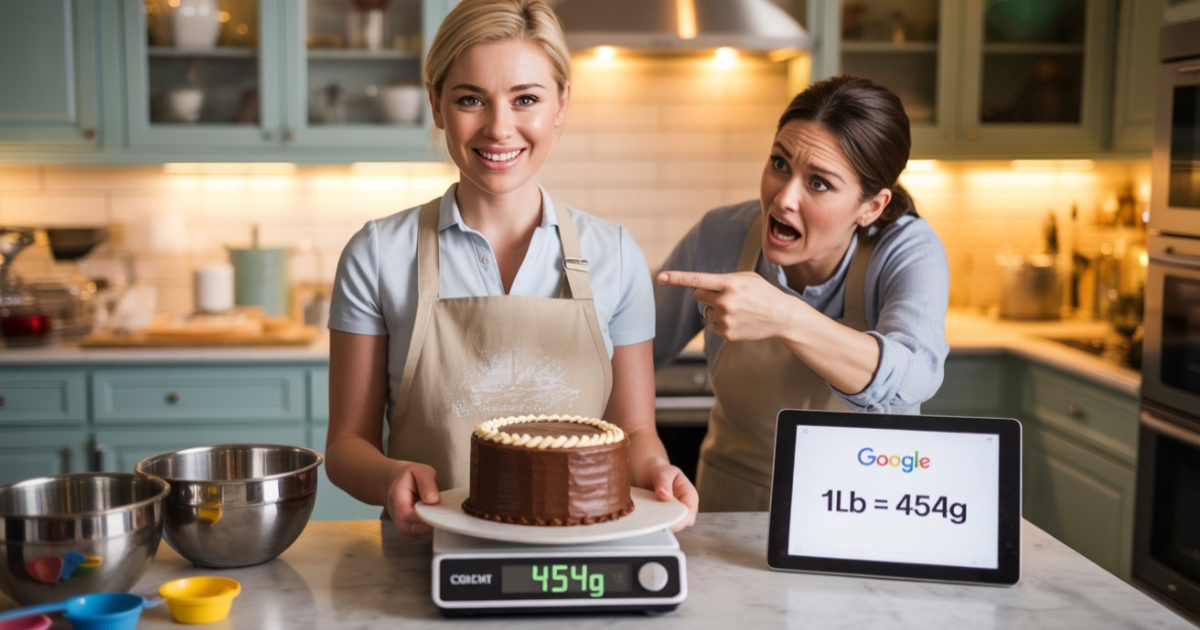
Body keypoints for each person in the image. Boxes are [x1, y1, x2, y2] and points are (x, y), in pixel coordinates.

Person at [325, 0, 698, 536]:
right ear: (436, 105)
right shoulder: (378, 252)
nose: (500, 128)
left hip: (579, 551)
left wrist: (657, 471)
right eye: (471, 99)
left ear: (561, 104)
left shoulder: (614, 254)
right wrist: (389, 475)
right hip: (426, 556)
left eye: (526, 99)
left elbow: (635, 431)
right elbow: (346, 448)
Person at [655, 76, 950, 512]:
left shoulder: (906, 249)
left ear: (872, 206)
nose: (784, 198)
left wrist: (786, 317)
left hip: (863, 507)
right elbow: (630, 352)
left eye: (819, 183)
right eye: (780, 163)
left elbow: (912, 379)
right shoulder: (722, 235)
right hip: (732, 503)